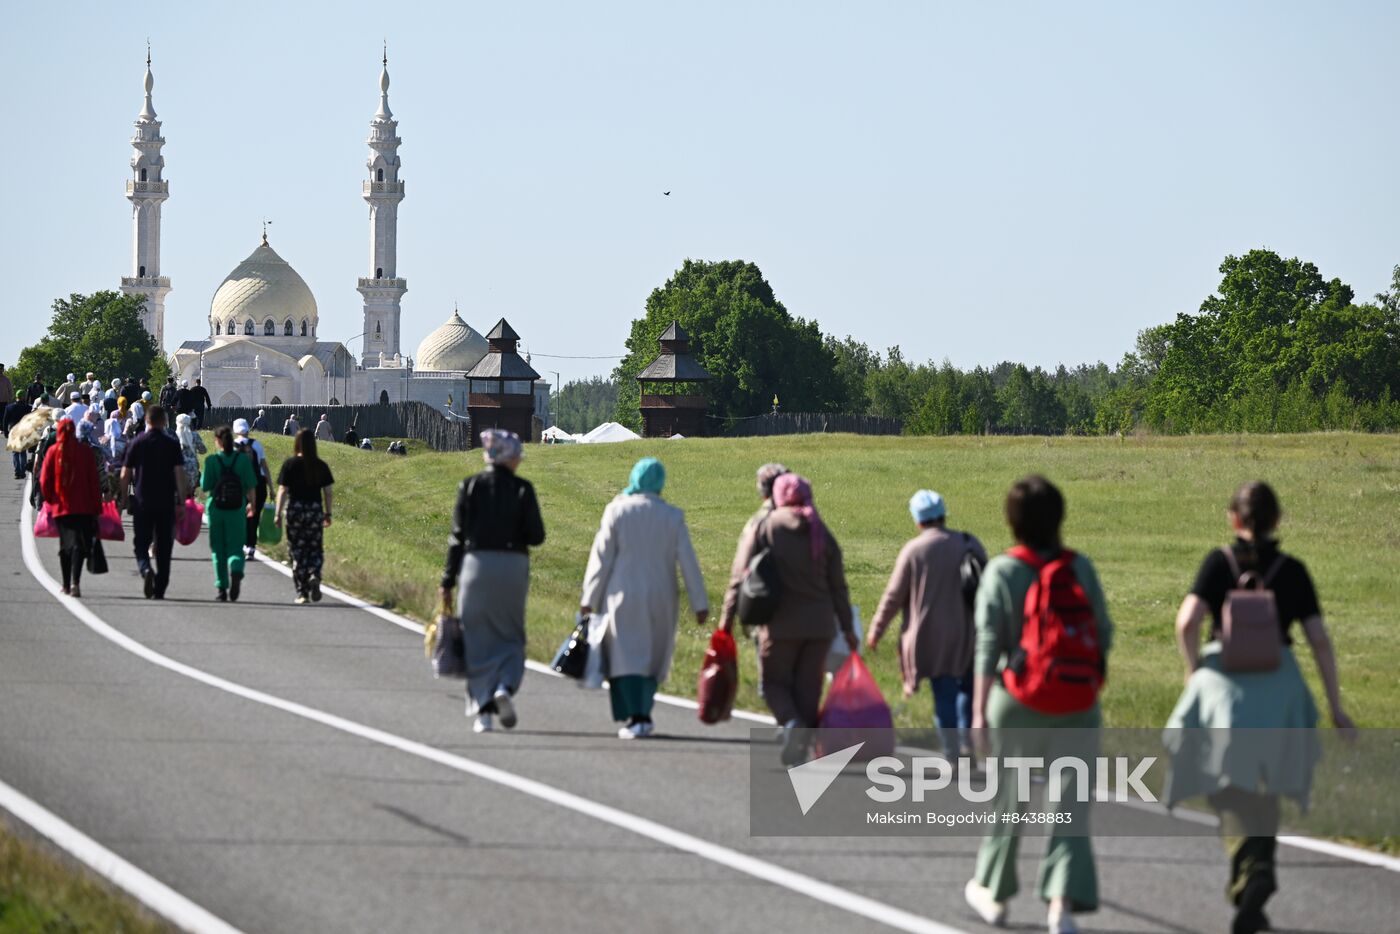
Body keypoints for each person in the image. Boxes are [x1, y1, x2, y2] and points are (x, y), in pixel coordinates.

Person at [1166, 482, 1353, 934]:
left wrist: (1195, 673)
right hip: (1281, 687)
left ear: (1234, 518)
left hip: (1226, 688)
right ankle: (1260, 873)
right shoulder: (1293, 571)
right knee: (1267, 784)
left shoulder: (1218, 564)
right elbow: (1319, 640)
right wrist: (1335, 705)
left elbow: (1187, 622)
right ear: (1276, 520)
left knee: (1225, 783)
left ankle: (1248, 868)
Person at [963, 476, 1112, 934]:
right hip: (1076, 700)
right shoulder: (1079, 567)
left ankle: (995, 894)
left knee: (1010, 801)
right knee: (1069, 804)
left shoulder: (1003, 571)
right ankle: (1061, 907)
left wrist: (979, 711)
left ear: (1012, 521)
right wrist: (1087, 685)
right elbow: (1103, 631)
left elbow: (988, 643)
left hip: (1017, 700)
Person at [721, 472, 855, 763]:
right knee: (809, 689)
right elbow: (839, 586)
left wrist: (726, 621)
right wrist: (847, 628)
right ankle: (799, 749)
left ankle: (792, 724)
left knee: (773, 683)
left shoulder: (766, 527)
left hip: (779, 624)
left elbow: (739, 577)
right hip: (820, 627)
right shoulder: (821, 530)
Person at [582, 457, 708, 740]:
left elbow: (601, 557)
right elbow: (688, 562)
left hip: (621, 594)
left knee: (624, 657)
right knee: (652, 656)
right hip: (661, 598)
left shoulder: (617, 511)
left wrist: (589, 596)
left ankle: (635, 716)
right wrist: (700, 604)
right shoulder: (672, 516)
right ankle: (643, 712)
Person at [866, 490, 987, 756]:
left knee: (943, 693)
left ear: (918, 520)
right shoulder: (969, 542)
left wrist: (876, 630)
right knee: (967, 687)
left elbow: (893, 597)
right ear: (943, 514)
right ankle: (967, 742)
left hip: (930, 636)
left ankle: (952, 752)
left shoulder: (914, 550)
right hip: (969, 632)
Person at [440, 430, 545, 733]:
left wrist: (447, 581)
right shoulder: (523, 489)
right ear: (510, 458)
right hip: (513, 565)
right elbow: (537, 536)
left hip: (476, 565)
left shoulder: (470, 486)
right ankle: (505, 686)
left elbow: (457, 538)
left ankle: (483, 710)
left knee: (476, 637)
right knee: (510, 634)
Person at [718, 463, 788, 696]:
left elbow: (739, 574)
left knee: (771, 688)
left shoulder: (760, 522)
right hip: (812, 616)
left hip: (770, 612)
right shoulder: (811, 521)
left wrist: (726, 621)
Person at [118, 405, 189, 601]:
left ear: (147, 420)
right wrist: (182, 501)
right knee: (164, 547)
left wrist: (123, 497)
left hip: (142, 501)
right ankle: (160, 589)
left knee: (141, 542)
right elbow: (179, 474)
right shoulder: (172, 444)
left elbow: (125, 474)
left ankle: (145, 568)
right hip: (166, 502)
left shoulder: (136, 442)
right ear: (164, 422)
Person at [38, 419, 102, 597]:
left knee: (65, 545)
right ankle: (76, 582)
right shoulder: (85, 451)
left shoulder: (52, 452)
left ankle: (66, 584)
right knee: (79, 545)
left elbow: (44, 480)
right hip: (84, 507)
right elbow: (93, 482)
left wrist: (50, 499)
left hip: (61, 507)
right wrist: (97, 506)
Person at [273, 429, 335, 604]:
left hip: (295, 510)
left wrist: (278, 513)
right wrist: (328, 513)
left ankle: (302, 592)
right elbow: (328, 492)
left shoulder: (290, 464)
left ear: (297, 443)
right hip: (314, 510)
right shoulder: (320, 465)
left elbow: (283, 490)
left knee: (297, 549)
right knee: (315, 546)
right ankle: (315, 573)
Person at [201, 425, 257, 601]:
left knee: (218, 550)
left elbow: (205, 486)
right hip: (236, 508)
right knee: (235, 546)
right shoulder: (242, 460)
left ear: (217, 441)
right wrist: (252, 505)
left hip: (216, 509)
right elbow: (251, 486)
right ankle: (236, 568)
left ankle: (222, 588)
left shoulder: (211, 461)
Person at [232, 418, 271, 559]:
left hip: (238, 486)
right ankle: (251, 546)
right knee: (254, 517)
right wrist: (271, 488)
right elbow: (264, 467)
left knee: (240, 516)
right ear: (248, 430)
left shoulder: (231, 446)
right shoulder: (257, 445)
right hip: (258, 484)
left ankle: (241, 544)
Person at [175, 413, 206, 492]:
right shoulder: (194, 435)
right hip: (192, 467)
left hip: (177, 468)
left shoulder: (174, 435)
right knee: (191, 491)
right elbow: (203, 450)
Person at [4, 396, 33, 478]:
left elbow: (5, 421)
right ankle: (23, 471)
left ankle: (17, 471)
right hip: (24, 430)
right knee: (23, 452)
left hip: (13, 431)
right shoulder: (28, 408)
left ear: (16, 397)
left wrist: (6, 432)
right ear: (23, 397)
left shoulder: (9, 407)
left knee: (15, 452)